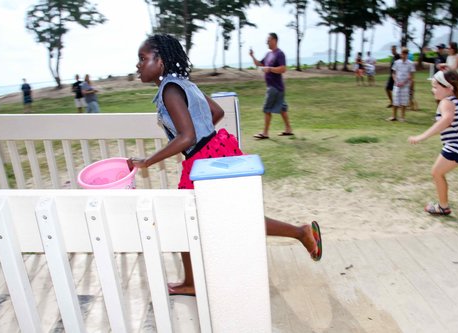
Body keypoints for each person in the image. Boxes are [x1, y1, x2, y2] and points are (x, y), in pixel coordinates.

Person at [128, 34, 323, 296]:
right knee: (239, 214)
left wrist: (148, 161)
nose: (138, 65)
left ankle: (191, 283)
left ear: (160, 60)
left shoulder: (169, 90)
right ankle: (301, 233)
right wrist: (201, 134)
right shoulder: (184, 84)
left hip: (202, 160)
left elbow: (187, 136)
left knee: (183, 219)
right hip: (217, 150)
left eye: (143, 58)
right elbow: (216, 113)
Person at [408, 70, 458, 215]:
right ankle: (443, 206)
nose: (432, 90)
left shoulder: (446, 102)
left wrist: (422, 136)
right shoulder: (457, 101)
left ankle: (442, 207)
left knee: (436, 173)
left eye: (435, 86)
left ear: (449, 87)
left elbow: (446, 120)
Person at [249, 33, 293, 139]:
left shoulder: (280, 54)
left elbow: (283, 69)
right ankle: (288, 129)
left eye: (268, 40)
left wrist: (270, 69)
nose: (267, 42)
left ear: (274, 40)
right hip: (274, 87)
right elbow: (259, 64)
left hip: (275, 87)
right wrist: (252, 56)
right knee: (282, 108)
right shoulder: (268, 54)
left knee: (267, 109)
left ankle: (265, 133)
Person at [387, 47, 415, 122]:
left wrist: (404, 83)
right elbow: (393, 73)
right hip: (397, 84)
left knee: (404, 101)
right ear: (401, 54)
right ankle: (394, 116)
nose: (404, 55)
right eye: (403, 53)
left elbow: (411, 75)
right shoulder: (397, 62)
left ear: (407, 54)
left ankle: (402, 117)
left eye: (405, 53)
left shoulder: (410, 63)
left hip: (405, 85)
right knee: (395, 100)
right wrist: (396, 81)